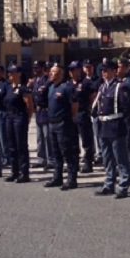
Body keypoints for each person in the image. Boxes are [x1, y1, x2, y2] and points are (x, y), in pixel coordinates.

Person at [93, 58, 130, 198]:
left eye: (107, 70)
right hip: (104, 125)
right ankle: (109, 183)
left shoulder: (120, 87)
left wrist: (123, 123)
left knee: (120, 157)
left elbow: (128, 108)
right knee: (107, 157)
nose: (104, 73)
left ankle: (123, 185)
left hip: (116, 125)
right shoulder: (102, 87)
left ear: (114, 71)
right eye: (103, 71)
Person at [45, 61, 79, 190]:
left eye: (53, 72)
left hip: (64, 124)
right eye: (50, 72)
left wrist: (70, 119)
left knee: (67, 152)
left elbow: (74, 106)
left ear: (60, 74)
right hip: (52, 123)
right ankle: (57, 177)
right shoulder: (51, 87)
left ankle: (71, 179)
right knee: (56, 153)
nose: (50, 74)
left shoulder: (67, 87)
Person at [4, 63, 34, 183]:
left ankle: (24, 173)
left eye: (12, 72)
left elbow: (30, 106)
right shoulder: (9, 87)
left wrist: (27, 119)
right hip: (9, 117)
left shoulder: (23, 88)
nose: (10, 75)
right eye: (9, 73)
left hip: (19, 117)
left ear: (19, 74)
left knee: (21, 146)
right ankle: (14, 171)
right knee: (11, 146)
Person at [69, 61, 97, 173]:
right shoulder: (69, 84)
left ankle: (88, 163)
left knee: (86, 140)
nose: (71, 72)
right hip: (72, 115)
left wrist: (89, 108)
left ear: (79, 70)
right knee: (73, 141)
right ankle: (74, 164)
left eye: (74, 69)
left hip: (82, 113)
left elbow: (93, 97)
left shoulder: (86, 83)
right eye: (70, 70)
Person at [30, 60, 52, 169]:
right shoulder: (36, 81)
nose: (35, 70)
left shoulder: (47, 81)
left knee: (47, 136)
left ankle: (50, 159)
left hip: (46, 110)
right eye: (34, 68)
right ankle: (41, 158)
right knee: (40, 137)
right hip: (38, 111)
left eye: (37, 68)